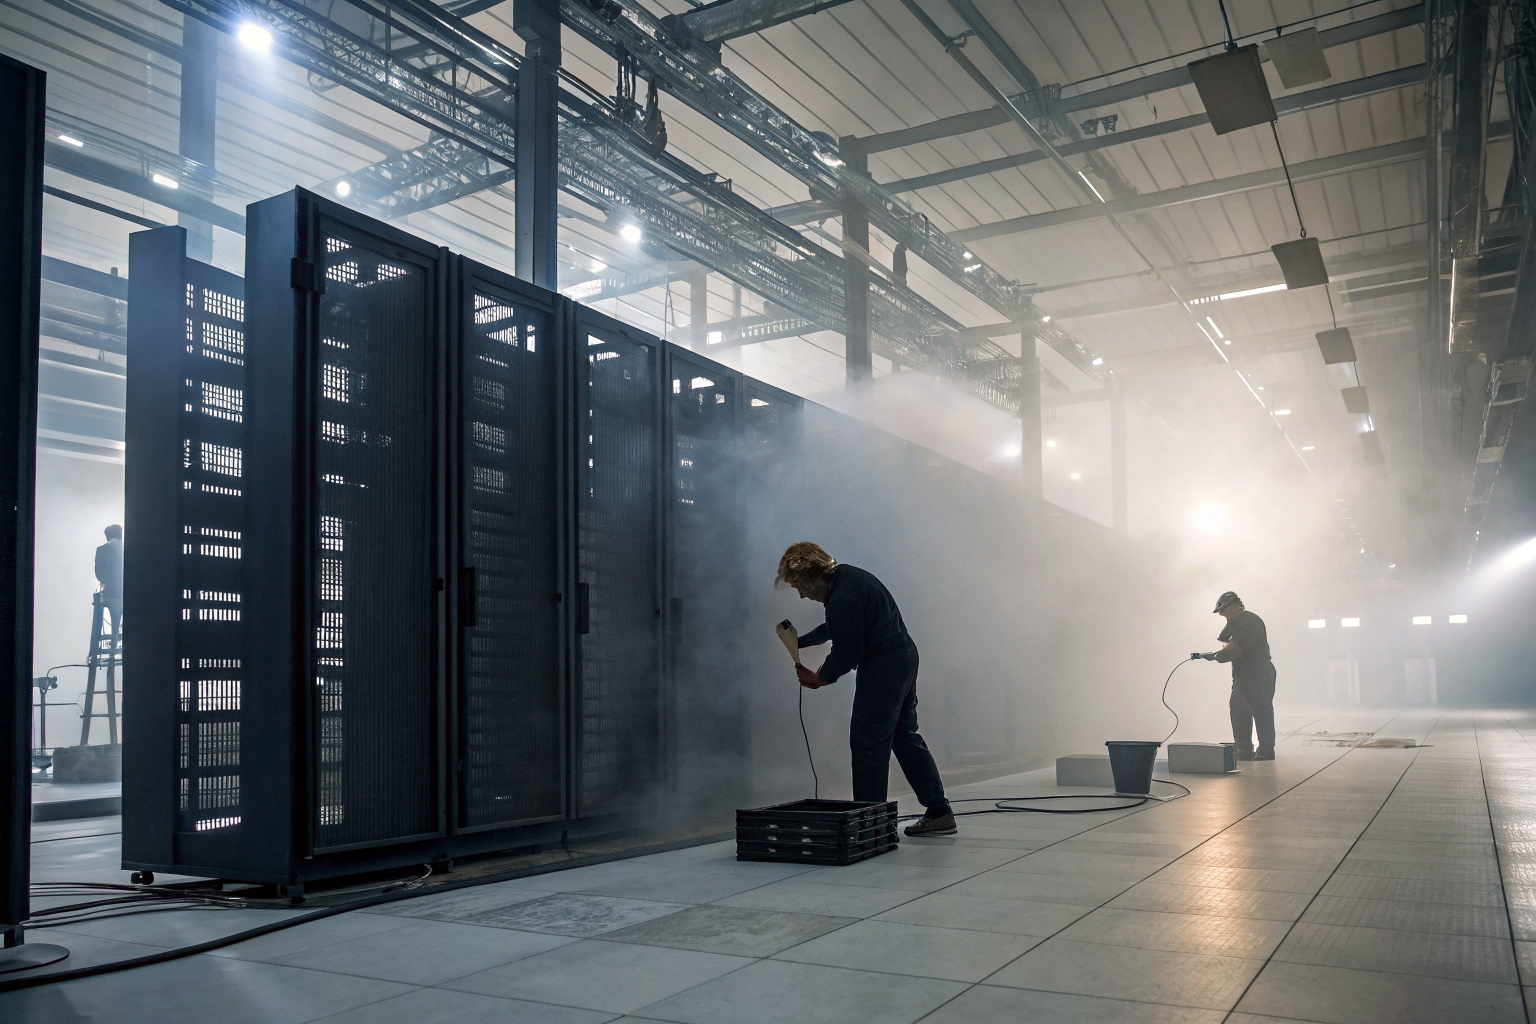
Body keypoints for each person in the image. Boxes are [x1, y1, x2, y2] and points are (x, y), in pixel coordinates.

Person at [777, 542, 956, 837]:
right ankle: (939, 811)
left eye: (800, 586)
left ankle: (871, 825)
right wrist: (800, 642)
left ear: (811, 578)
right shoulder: (848, 579)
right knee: (904, 738)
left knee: (868, 745)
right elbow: (838, 626)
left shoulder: (842, 597)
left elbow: (847, 650)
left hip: (883, 668)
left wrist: (821, 677)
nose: (801, 594)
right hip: (903, 657)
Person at [1211, 591, 1274, 761]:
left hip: (1258, 673)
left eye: (1224, 611)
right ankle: (1244, 750)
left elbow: (1236, 648)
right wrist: (1218, 653)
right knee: (1239, 710)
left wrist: (1219, 656)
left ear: (1234, 606)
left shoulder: (1248, 621)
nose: (1224, 616)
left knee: (1261, 710)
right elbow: (1229, 645)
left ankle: (1266, 751)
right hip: (1243, 674)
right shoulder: (1235, 623)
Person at [95, 524, 123, 630]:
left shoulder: (102, 549)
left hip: (111, 593)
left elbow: (99, 575)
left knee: (98, 602)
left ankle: (113, 640)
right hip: (130, 593)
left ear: (107, 536)